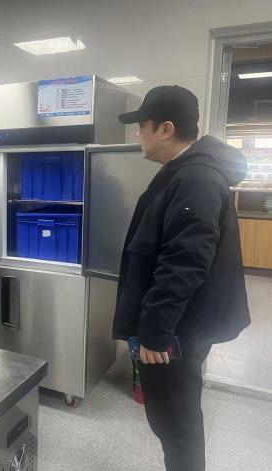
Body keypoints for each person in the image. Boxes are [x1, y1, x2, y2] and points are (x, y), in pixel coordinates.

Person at [113, 85, 251, 471]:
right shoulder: (184, 173)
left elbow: (185, 262)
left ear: (166, 128)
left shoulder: (195, 179)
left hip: (175, 331)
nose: (137, 133)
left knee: (177, 423)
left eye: (142, 125)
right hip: (178, 326)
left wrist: (156, 331)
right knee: (172, 419)